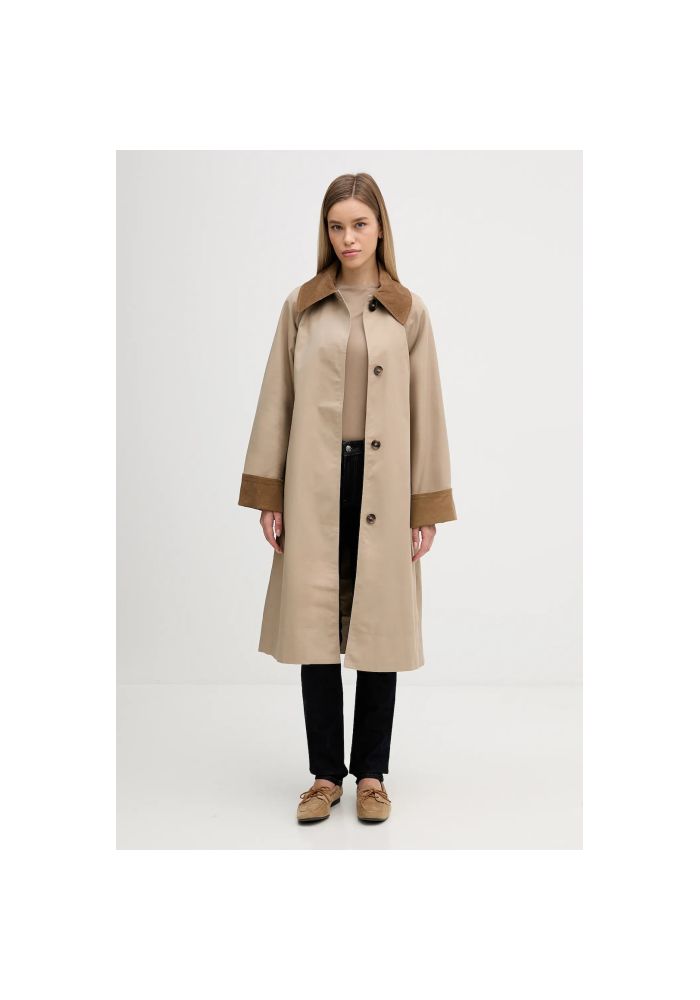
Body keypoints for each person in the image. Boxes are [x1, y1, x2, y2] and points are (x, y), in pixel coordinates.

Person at [238, 172, 457, 824]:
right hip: (314, 484)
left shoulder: (408, 311)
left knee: (379, 629)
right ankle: (324, 776)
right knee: (314, 630)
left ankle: (371, 776)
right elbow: (277, 399)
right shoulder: (303, 306)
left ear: (380, 227)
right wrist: (270, 494)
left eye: (360, 224)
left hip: (384, 486)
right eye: (337, 226)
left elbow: (427, 410)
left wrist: (425, 506)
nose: (348, 237)